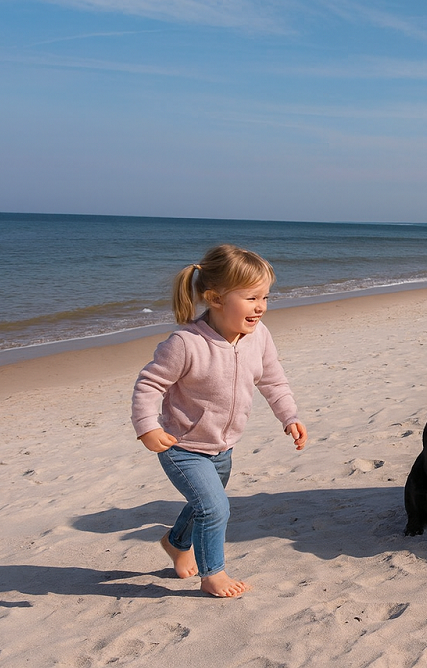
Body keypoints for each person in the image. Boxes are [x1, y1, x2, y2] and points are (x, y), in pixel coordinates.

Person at [131, 244, 308, 597]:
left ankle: (176, 542)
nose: (260, 306)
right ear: (215, 297)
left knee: (204, 505)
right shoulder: (186, 343)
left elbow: (272, 379)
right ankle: (213, 574)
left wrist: (289, 415)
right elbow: (149, 384)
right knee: (215, 508)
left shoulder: (259, 336)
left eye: (265, 297)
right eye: (250, 297)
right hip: (181, 445)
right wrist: (147, 427)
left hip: (223, 447)